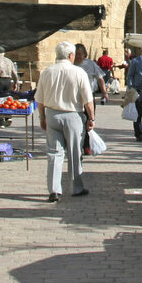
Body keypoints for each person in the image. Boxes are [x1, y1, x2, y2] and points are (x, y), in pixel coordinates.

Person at [35, 41, 95, 202]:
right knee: (75, 152)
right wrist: (91, 118)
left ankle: (54, 190)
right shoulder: (78, 72)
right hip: (73, 115)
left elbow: (39, 100)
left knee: (54, 152)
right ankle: (76, 187)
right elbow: (88, 100)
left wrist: (42, 117)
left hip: (52, 115)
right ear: (70, 55)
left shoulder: (47, 72)